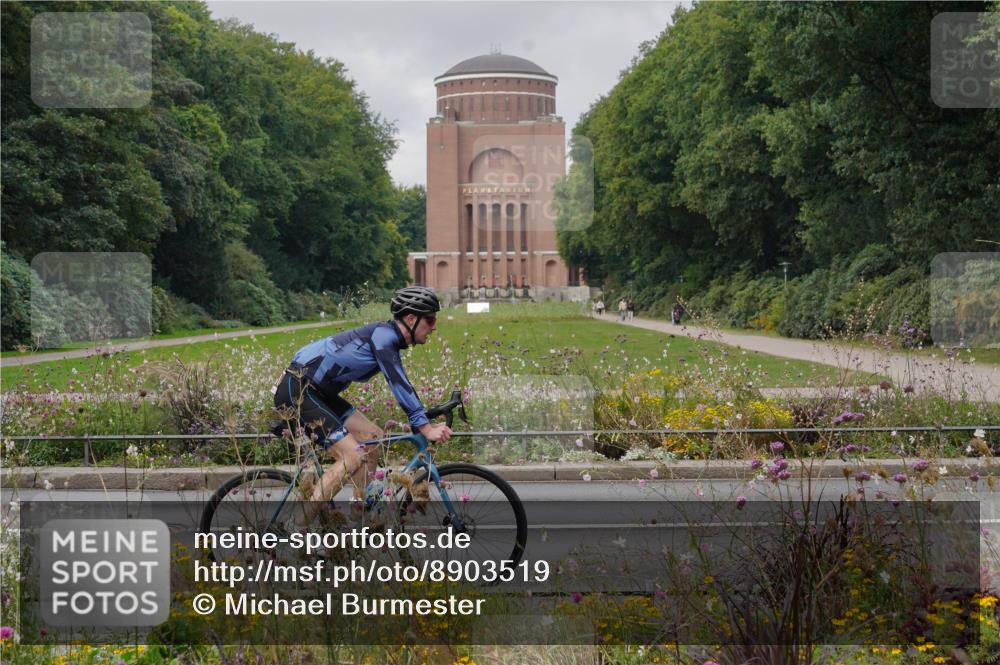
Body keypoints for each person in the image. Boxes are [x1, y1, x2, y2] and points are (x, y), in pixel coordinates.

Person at [273, 286, 452, 524]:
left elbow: (403, 383)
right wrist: (425, 428)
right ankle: (296, 526)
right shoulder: (383, 337)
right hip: (298, 390)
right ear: (411, 319)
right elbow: (397, 381)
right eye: (430, 320)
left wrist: (422, 417)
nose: (434, 326)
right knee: (353, 456)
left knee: (373, 437)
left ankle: (358, 521)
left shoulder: (387, 338)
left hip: (317, 392)